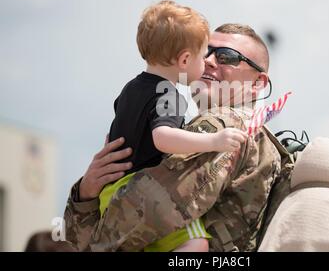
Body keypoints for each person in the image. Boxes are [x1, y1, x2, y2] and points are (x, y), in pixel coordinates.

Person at [64, 23, 282, 251]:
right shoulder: (194, 128)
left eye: (226, 56)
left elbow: (151, 208)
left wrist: (85, 201)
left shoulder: (226, 127)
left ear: (258, 83)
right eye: (204, 50)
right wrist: (88, 191)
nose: (209, 60)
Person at [100, 1, 247, 252]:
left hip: (109, 197)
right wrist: (215, 141)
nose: (206, 63)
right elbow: (162, 137)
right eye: (203, 57)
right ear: (185, 59)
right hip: (147, 194)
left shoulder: (130, 88)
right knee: (196, 242)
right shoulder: (169, 93)